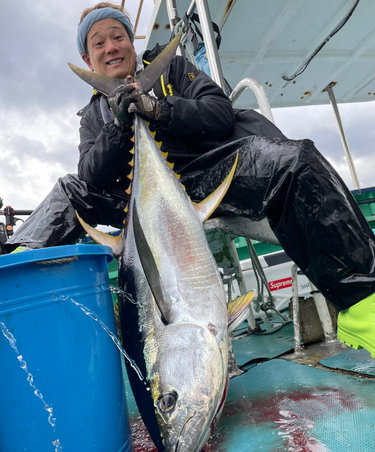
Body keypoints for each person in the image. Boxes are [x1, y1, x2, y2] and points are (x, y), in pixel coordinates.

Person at [5, 3, 375, 358]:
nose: (110, 47)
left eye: (117, 36)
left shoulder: (174, 69)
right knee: (69, 188)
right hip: (139, 203)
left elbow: (220, 114)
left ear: (131, 42)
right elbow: (91, 176)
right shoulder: (93, 114)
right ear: (88, 60)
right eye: (98, 42)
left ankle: (362, 307)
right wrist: (119, 123)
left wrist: (158, 109)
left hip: (208, 176)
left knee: (296, 159)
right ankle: (12, 275)